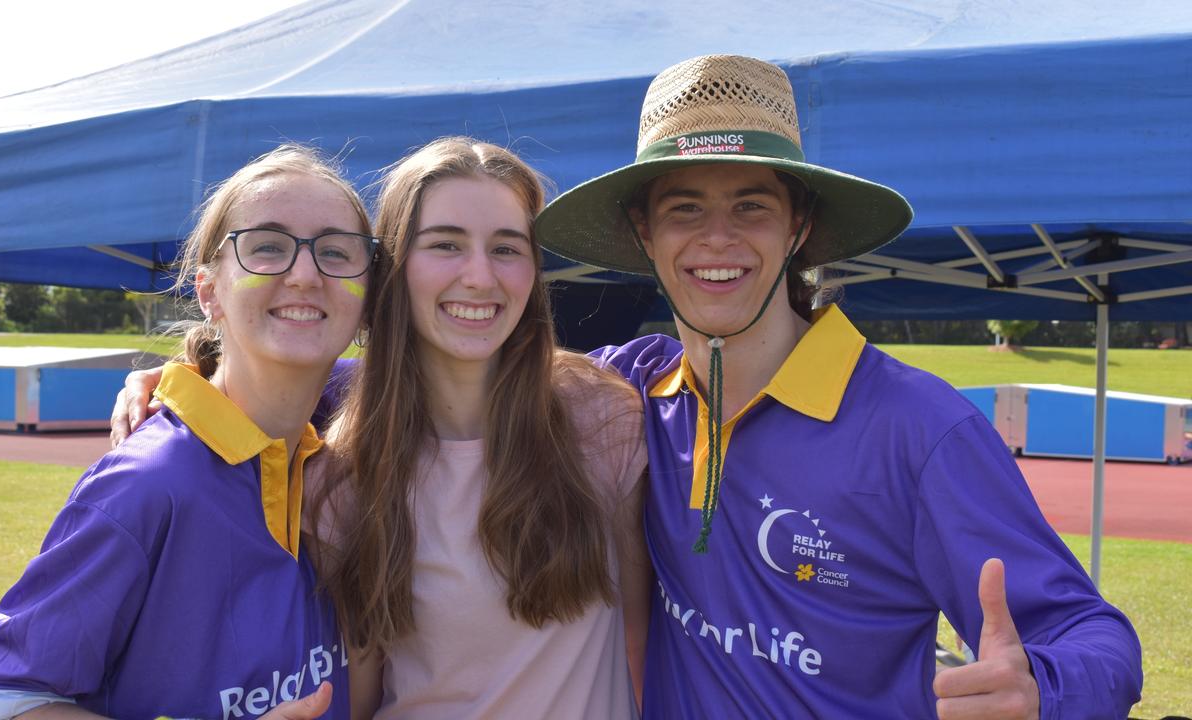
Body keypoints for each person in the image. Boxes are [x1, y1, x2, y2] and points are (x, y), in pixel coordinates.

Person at [532, 54, 1143, 718]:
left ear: (800, 227)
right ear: (644, 233)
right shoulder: (631, 391)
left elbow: (1093, 634)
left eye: (751, 207)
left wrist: (1041, 689)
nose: (717, 238)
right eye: (685, 209)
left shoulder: (917, 427)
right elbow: (489, 383)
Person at [111, 138, 651, 719]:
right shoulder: (341, 475)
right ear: (391, 269)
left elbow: (643, 646)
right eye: (445, 244)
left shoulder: (601, 414)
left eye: (506, 247)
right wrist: (187, 378)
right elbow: (360, 697)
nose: (479, 276)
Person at [0, 144, 378, 720]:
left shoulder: (337, 447)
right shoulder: (146, 484)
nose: (305, 273)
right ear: (209, 292)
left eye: (335, 251)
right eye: (267, 248)